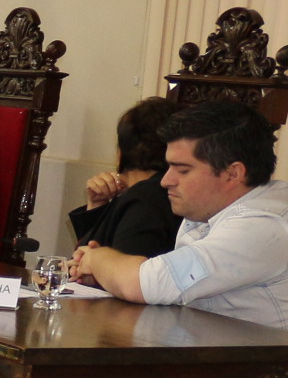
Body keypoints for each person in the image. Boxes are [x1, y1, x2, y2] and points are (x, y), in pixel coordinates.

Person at [73, 97, 288, 329]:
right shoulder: (206, 209)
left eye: (183, 170)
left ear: (232, 173)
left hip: (256, 353)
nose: (165, 181)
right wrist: (104, 274)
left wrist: (96, 259)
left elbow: (143, 284)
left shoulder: (263, 225)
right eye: (169, 167)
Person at [68, 96, 184, 258]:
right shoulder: (163, 193)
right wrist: (97, 205)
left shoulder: (144, 200)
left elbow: (120, 267)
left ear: (121, 152)